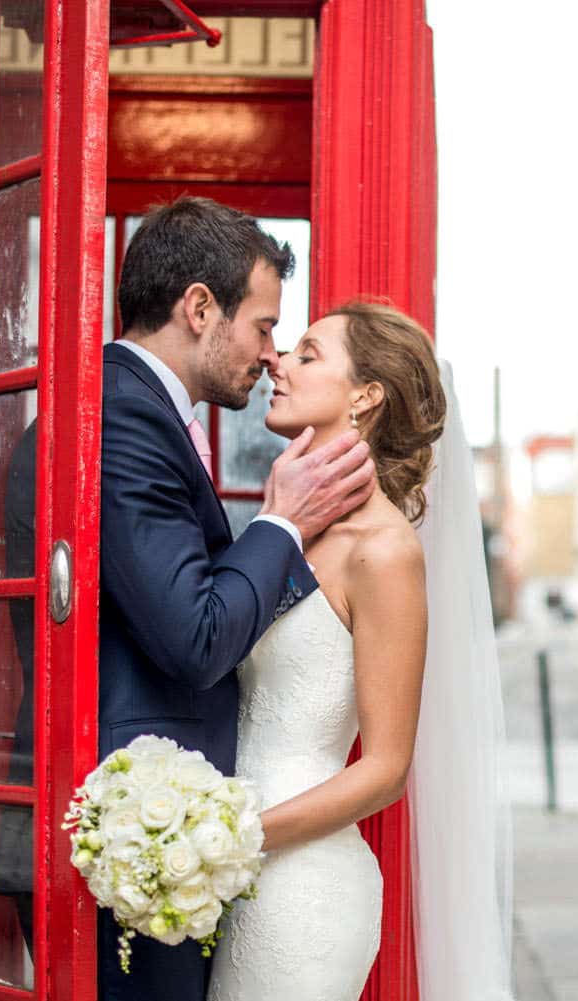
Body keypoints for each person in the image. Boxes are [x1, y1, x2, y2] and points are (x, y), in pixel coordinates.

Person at [93, 197, 376, 1001]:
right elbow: (196, 634)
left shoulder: (143, 414)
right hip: (148, 836)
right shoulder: (125, 416)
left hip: (215, 849)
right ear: (198, 308)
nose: (272, 353)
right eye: (262, 325)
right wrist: (281, 521)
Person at [207, 302, 514, 1001]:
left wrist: (238, 836)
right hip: (230, 874)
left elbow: (385, 767)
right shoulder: (282, 524)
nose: (277, 361)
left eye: (308, 353)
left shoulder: (384, 552)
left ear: (366, 395)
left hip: (298, 886)